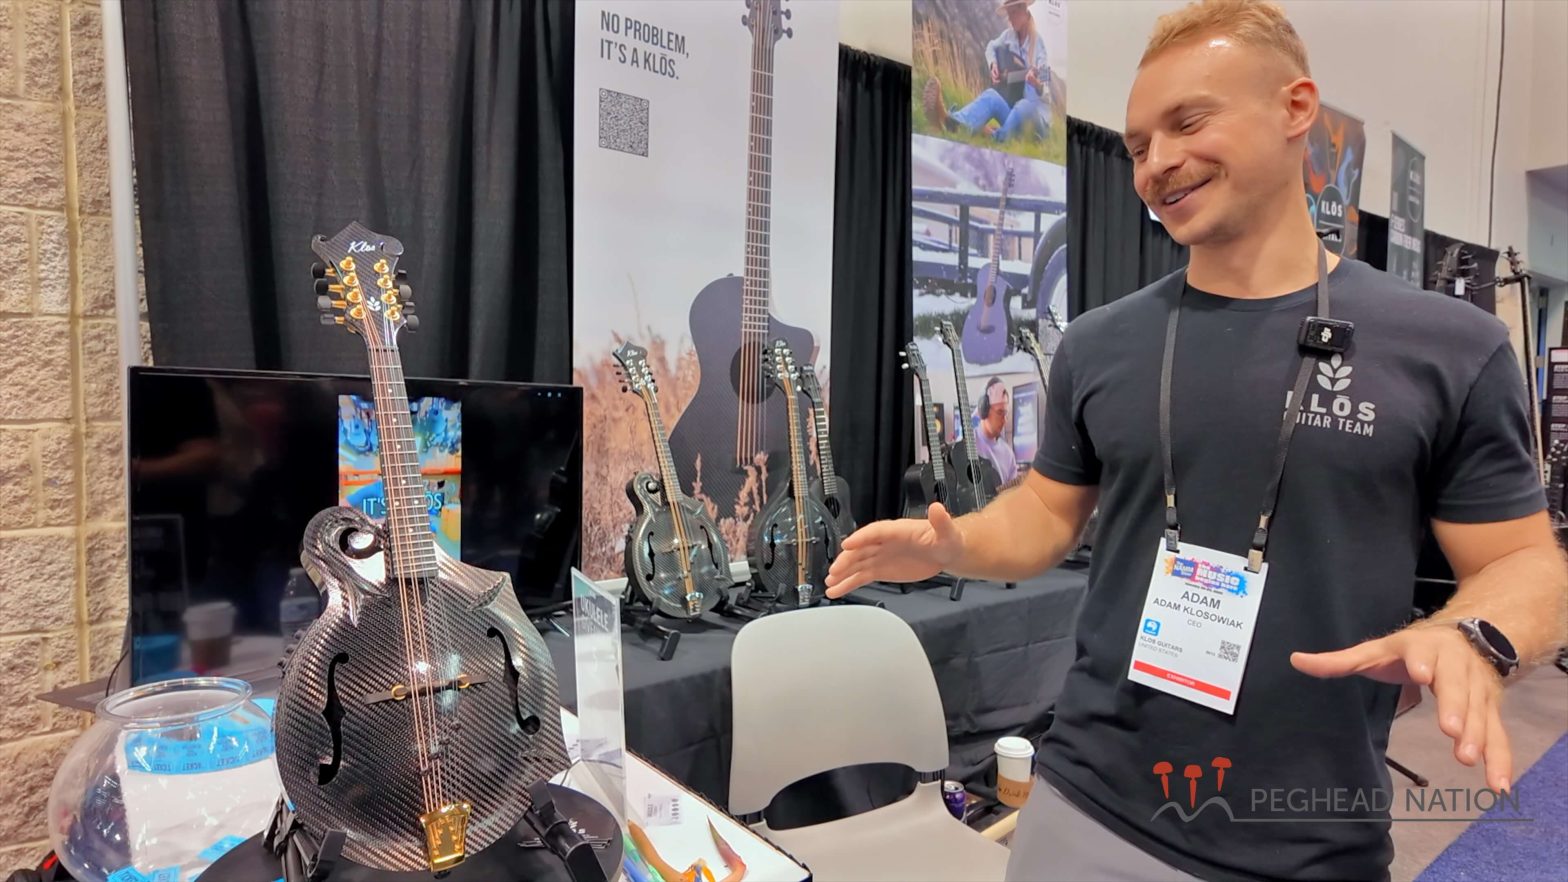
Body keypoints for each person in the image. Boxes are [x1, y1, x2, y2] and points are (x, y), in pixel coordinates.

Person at [827, 2, 1568, 880]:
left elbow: (1526, 562)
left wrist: (1472, 635)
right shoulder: (1100, 343)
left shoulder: (1446, 347)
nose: (1157, 165)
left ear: (1296, 109)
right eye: (1138, 145)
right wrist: (957, 545)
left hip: (1306, 838)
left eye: (1188, 122)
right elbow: (1048, 513)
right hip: (1086, 803)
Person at [924, 0, 1050, 144]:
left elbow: (1046, 78)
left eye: (1013, 13)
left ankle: (994, 135)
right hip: (1013, 114)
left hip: (1037, 122)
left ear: (1023, 9)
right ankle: (951, 122)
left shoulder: (1038, 43)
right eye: (1008, 15)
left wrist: (1037, 83)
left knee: (1024, 105)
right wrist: (993, 64)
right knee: (991, 96)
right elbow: (991, 47)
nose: (1009, 19)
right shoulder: (1008, 36)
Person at [973, 378, 1018, 482]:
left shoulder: (1008, 455)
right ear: (984, 410)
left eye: (1005, 413)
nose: (1004, 420)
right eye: (1000, 412)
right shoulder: (967, 445)